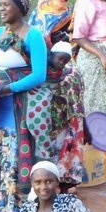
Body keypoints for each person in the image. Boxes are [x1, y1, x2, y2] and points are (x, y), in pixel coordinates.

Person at [0, 0, 48, 212]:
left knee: (17, 164)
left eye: (6, 4)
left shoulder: (33, 35)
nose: (1, 8)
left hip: (21, 111)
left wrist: (9, 88)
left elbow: (39, 74)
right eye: (0, 4)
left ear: (20, 7)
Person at [35, 42, 86, 188]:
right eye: (60, 59)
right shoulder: (40, 74)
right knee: (48, 155)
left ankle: (64, 187)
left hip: (70, 121)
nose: (62, 64)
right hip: (47, 122)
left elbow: (78, 102)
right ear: (50, 55)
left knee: (67, 156)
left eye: (66, 61)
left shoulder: (73, 74)